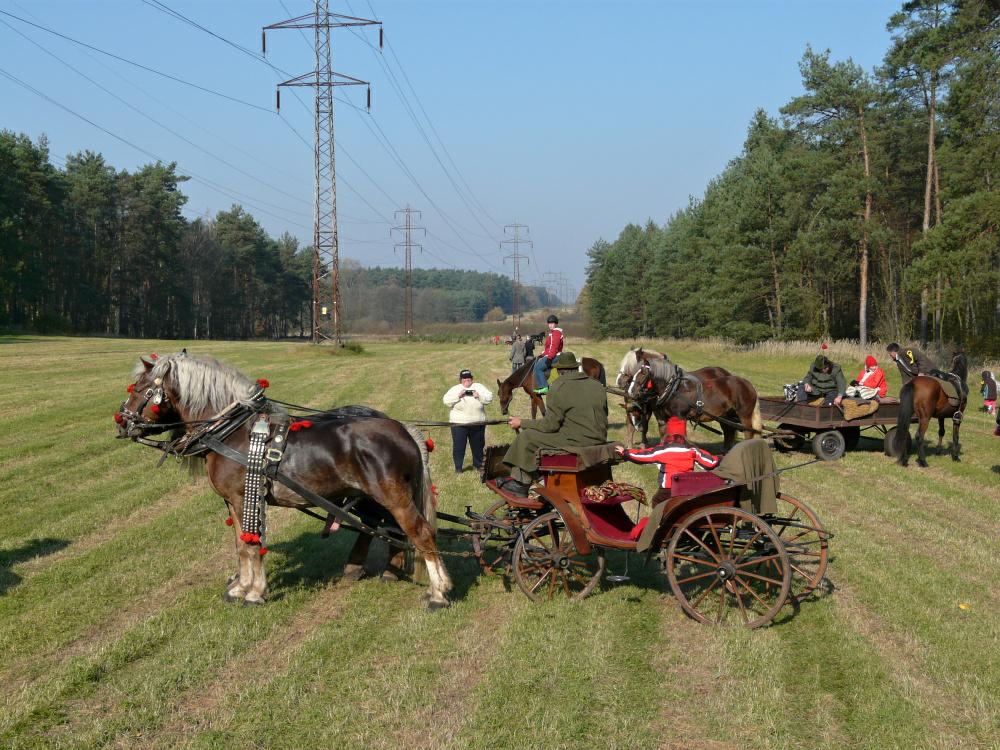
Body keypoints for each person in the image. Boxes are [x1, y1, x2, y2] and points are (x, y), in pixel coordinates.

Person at [501, 352, 608, 496]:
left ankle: (520, 484)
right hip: (600, 438)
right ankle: (538, 475)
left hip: (576, 440)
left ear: (558, 370)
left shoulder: (558, 387)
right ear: (576, 368)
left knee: (526, 437)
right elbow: (604, 413)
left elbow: (550, 426)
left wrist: (522, 423)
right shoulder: (597, 386)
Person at [614, 417, 719, 507]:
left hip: (668, 490)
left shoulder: (663, 450)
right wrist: (720, 458)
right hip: (686, 488)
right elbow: (710, 463)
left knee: (656, 501)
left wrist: (625, 452)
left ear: (668, 435)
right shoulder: (692, 450)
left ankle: (662, 526)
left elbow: (643, 456)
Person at [442, 369, 493, 474]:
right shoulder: (455, 389)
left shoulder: (479, 387)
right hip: (459, 424)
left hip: (477, 423)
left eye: (469, 378)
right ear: (460, 380)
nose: (467, 380)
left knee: (478, 446)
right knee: (459, 447)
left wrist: (479, 396)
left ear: (472, 379)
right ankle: (458, 468)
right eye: (464, 378)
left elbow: (489, 398)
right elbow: (446, 401)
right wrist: (458, 396)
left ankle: (478, 466)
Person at [531, 314, 564, 395]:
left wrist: (549, 357)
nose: (550, 325)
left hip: (555, 356)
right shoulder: (553, 333)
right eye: (549, 323)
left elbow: (554, 347)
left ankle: (544, 387)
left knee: (537, 368)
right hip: (552, 354)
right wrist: (542, 354)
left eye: (552, 323)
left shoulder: (556, 333)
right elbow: (548, 348)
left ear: (556, 324)